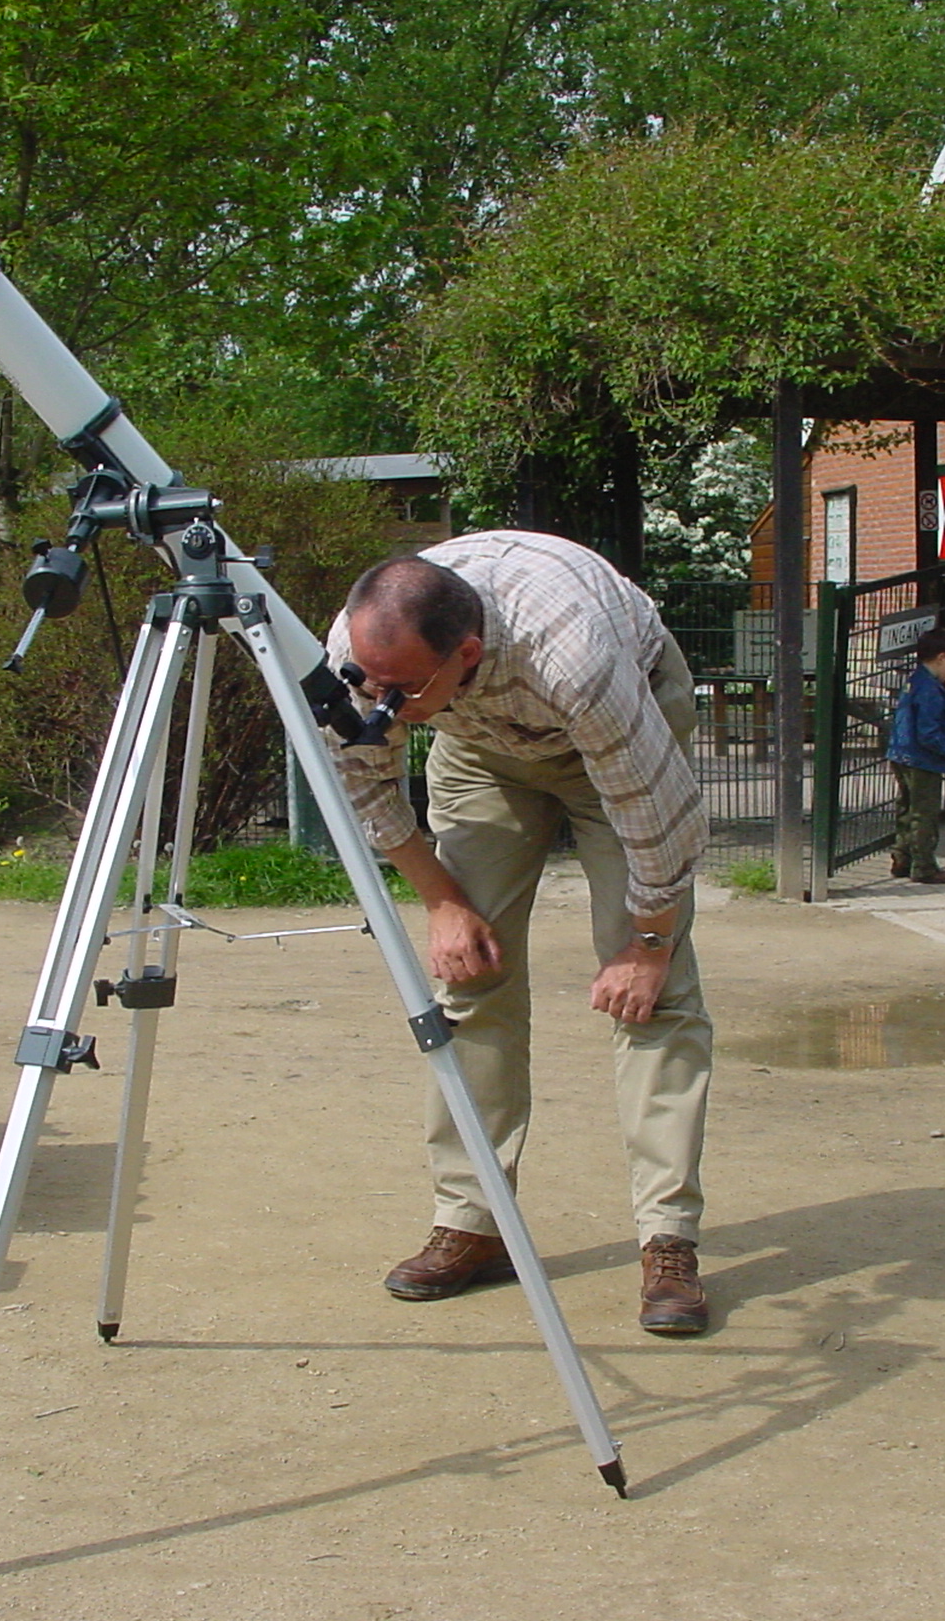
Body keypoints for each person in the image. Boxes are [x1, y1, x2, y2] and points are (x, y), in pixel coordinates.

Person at [325, 531, 714, 1336]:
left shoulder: (576, 658)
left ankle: (667, 1241)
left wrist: (646, 945)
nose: (381, 704)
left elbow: (656, 819)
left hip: (614, 734)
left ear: (466, 651)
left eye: (400, 690)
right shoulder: (364, 654)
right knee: (467, 975)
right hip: (481, 750)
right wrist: (441, 901)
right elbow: (361, 779)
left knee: (658, 995)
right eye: (371, 682)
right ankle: (473, 1219)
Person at [886, 628, 945, 884]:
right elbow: (929, 732)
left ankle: (902, 857)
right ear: (941, 658)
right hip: (922, 759)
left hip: (901, 753)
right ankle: (924, 866)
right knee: (924, 813)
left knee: (906, 808)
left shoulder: (916, 681)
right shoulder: (931, 691)